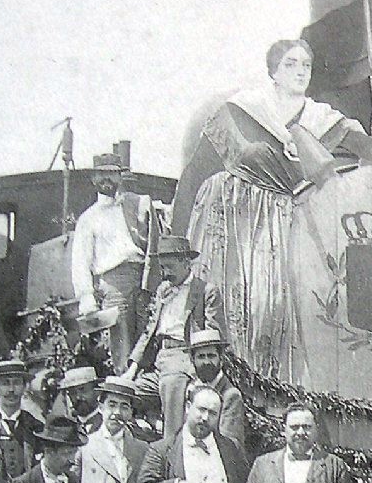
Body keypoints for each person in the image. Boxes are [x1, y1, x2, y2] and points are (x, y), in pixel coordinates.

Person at [179, 38, 370, 377]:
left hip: (302, 225)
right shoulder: (242, 109)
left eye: (306, 65)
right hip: (249, 227)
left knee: (298, 310)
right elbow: (200, 170)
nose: (300, 72)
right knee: (252, 306)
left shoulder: (324, 118)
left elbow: (366, 152)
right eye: (290, 64)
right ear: (273, 72)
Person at [123, 235, 223, 440]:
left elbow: (213, 335)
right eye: (162, 268)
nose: (165, 273)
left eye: (169, 267)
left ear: (186, 263)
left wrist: (199, 366)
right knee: (124, 394)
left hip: (184, 355)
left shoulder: (205, 291)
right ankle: (147, 440)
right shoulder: (162, 290)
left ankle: (172, 453)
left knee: (171, 384)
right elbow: (149, 331)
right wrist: (132, 368)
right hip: (158, 358)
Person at [71, 153, 152, 370]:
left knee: (148, 337)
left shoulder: (137, 206)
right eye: (102, 174)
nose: (107, 179)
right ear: (93, 179)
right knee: (122, 346)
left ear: (120, 176)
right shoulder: (88, 218)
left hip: (143, 279)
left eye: (112, 174)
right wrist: (87, 297)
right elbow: (81, 262)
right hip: (114, 285)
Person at [187, 329, 246, 449]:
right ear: (192, 360)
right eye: (201, 357)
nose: (207, 362)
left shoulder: (230, 395)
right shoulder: (189, 388)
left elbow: (229, 445)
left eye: (211, 356)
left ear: (221, 359)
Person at [0, 359, 44, 480]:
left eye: (17, 383)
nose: (11, 389)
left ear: (24, 387)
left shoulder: (36, 427)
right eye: (5, 383)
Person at [58, 366, 102, 433]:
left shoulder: (106, 424)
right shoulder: (66, 427)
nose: (78, 397)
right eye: (72, 393)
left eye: (82, 390)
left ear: (97, 391)